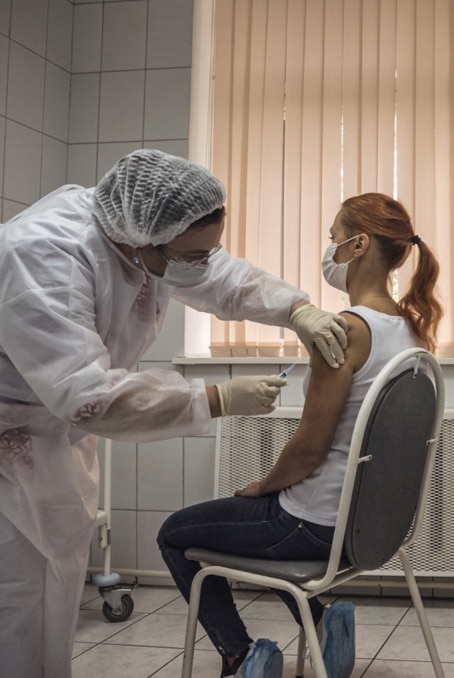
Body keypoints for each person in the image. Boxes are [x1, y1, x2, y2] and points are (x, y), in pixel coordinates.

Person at [0, 149, 350, 678]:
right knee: (15, 602)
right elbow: (87, 395)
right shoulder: (44, 255)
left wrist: (296, 308)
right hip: (13, 441)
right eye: (191, 255)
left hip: (51, 441)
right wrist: (213, 399)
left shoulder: (147, 241)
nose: (202, 265)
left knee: (52, 594)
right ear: (142, 240)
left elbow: (222, 277)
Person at [157, 192, 442, 676]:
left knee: (174, 534)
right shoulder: (411, 331)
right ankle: (324, 621)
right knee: (265, 517)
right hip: (368, 528)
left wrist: (262, 486)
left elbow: (309, 450)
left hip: (314, 527)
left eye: (334, 238)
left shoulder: (346, 329)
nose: (329, 249)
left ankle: (240, 655)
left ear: (358, 245)